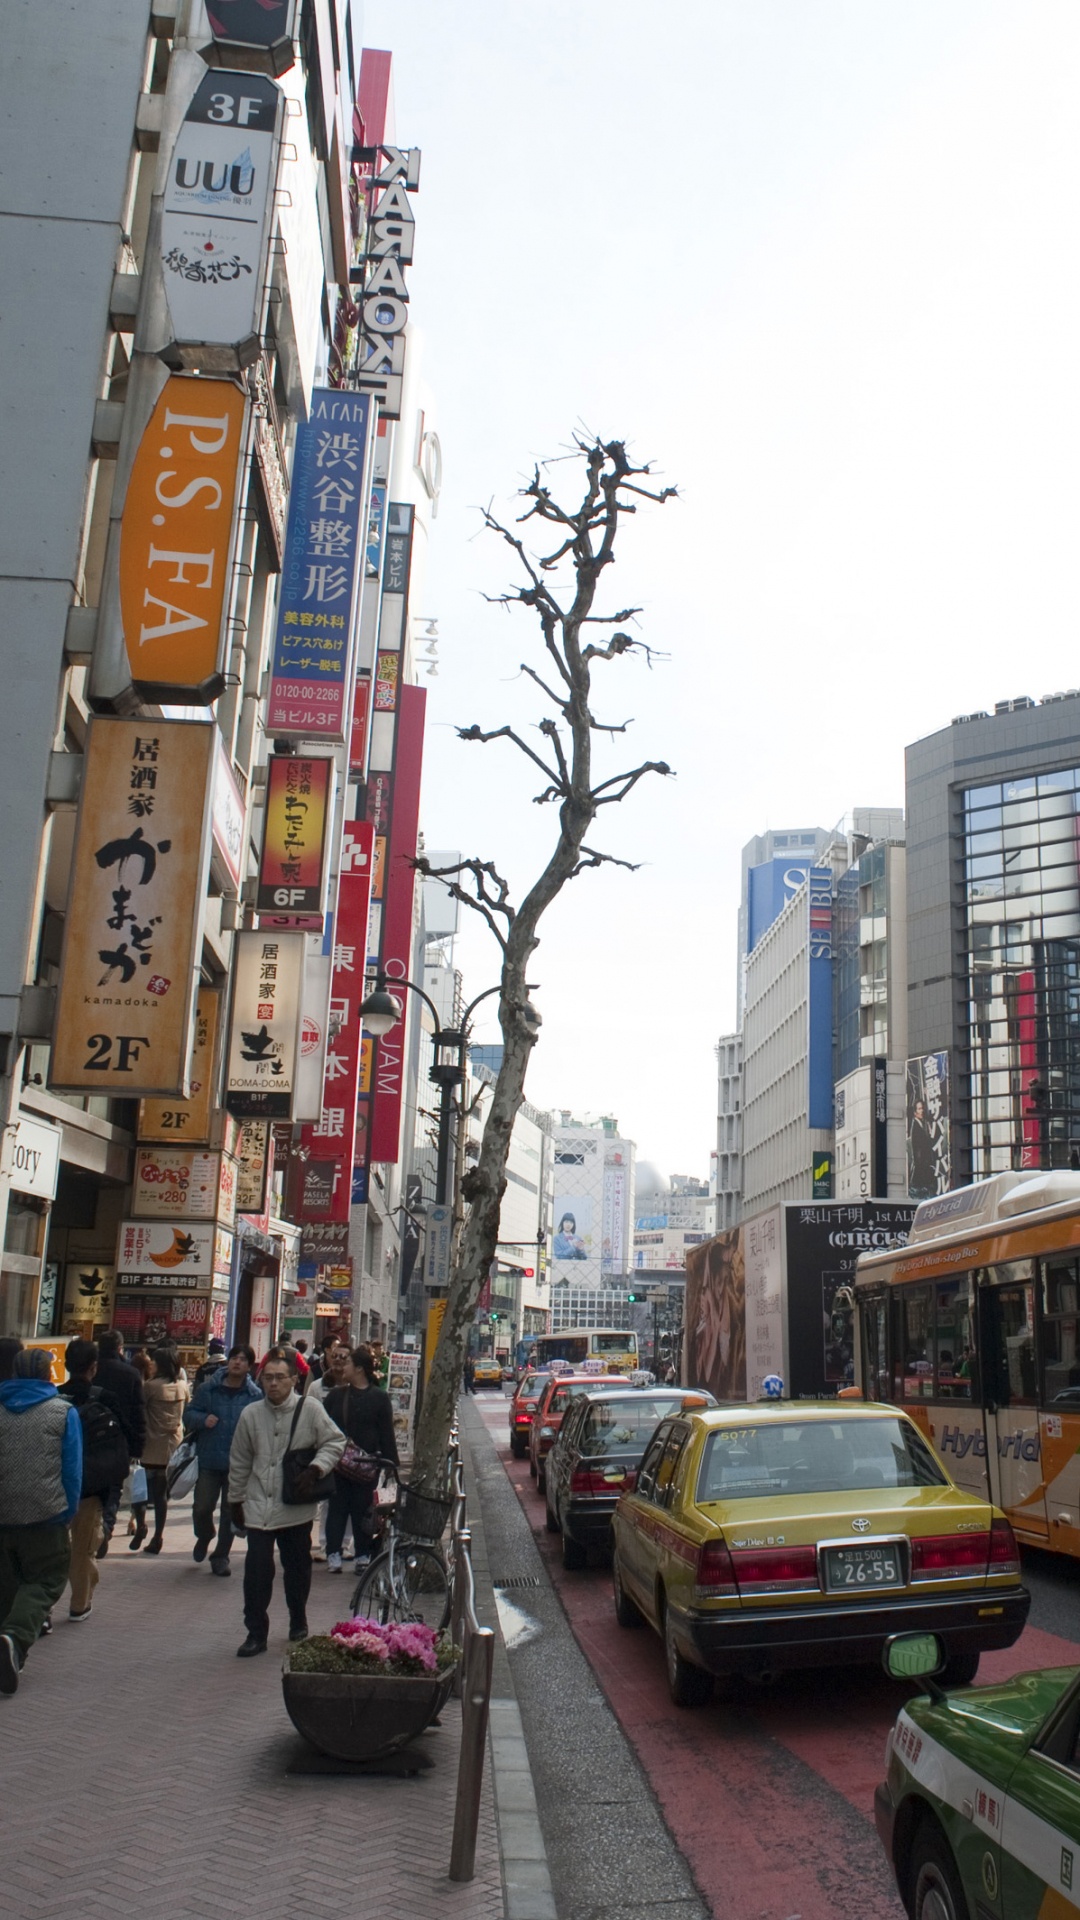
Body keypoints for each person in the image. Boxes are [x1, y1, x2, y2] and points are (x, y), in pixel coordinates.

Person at [227, 1347, 345, 1656]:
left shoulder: (310, 1409)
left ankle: (298, 1618)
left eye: (280, 1377)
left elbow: (335, 1441)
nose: (273, 1383)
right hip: (258, 1507)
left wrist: (316, 1469)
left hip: (295, 1506)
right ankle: (256, 1632)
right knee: (256, 1573)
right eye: (268, 1378)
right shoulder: (251, 1414)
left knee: (297, 1570)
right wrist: (235, 1500)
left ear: (294, 1380)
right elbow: (240, 1460)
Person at [0, 1350, 83, 1692]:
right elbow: (72, 1469)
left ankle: (10, 1653)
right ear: (49, 1374)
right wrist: (69, 1511)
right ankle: (14, 1638)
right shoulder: (62, 1412)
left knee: (7, 1585)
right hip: (46, 1513)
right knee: (46, 1580)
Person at [57, 1339, 131, 1622]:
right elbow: (122, 1438)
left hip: (56, 1485)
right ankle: (80, 1605)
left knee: (53, 1551)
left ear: (66, 1365)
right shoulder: (105, 1398)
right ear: (93, 1367)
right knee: (83, 1548)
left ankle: (44, 1610)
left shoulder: (54, 1399)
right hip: (91, 1486)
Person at [184, 1345, 261, 1577]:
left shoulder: (254, 1395)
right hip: (209, 1460)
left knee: (230, 1512)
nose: (237, 1362)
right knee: (202, 1507)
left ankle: (220, 1556)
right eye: (234, 1358)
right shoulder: (208, 1389)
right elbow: (188, 1414)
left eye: (243, 1359)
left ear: (249, 1366)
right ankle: (205, 1534)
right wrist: (202, 1419)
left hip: (238, 1465)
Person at [324, 1346, 399, 1574]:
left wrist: (390, 1463)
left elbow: (386, 1432)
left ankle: (362, 1554)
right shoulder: (336, 1395)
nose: (343, 1367)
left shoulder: (379, 1397)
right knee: (336, 1509)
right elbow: (322, 1427)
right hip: (338, 1464)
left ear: (359, 1369)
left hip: (367, 1466)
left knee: (363, 1510)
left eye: (348, 1363)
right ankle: (333, 1553)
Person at [92, 1329, 147, 1558]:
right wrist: (138, 1445)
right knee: (114, 1487)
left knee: (92, 1487)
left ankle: (95, 1528)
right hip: (119, 1439)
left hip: (90, 1437)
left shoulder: (91, 1369)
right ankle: (106, 1525)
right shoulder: (130, 1373)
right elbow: (138, 1412)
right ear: (120, 1348)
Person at [133, 1345, 189, 1553]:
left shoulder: (150, 1386)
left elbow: (140, 1410)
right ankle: (158, 1536)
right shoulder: (182, 1386)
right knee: (161, 1495)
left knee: (139, 1489)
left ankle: (141, 1524)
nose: (152, 1364)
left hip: (150, 1444)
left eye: (155, 1361)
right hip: (172, 1445)